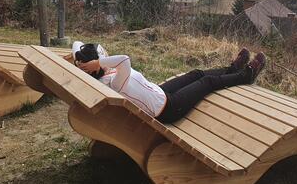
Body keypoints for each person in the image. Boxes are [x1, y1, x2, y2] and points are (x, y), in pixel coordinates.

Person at [72, 41, 266, 124]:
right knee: (207, 81)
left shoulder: (108, 76)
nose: (102, 55)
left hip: (159, 93)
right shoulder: (113, 83)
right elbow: (124, 59)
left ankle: (232, 70)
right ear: (95, 66)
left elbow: (77, 45)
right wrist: (96, 62)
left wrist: (89, 63)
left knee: (196, 73)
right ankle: (245, 76)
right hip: (169, 108)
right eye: (99, 57)